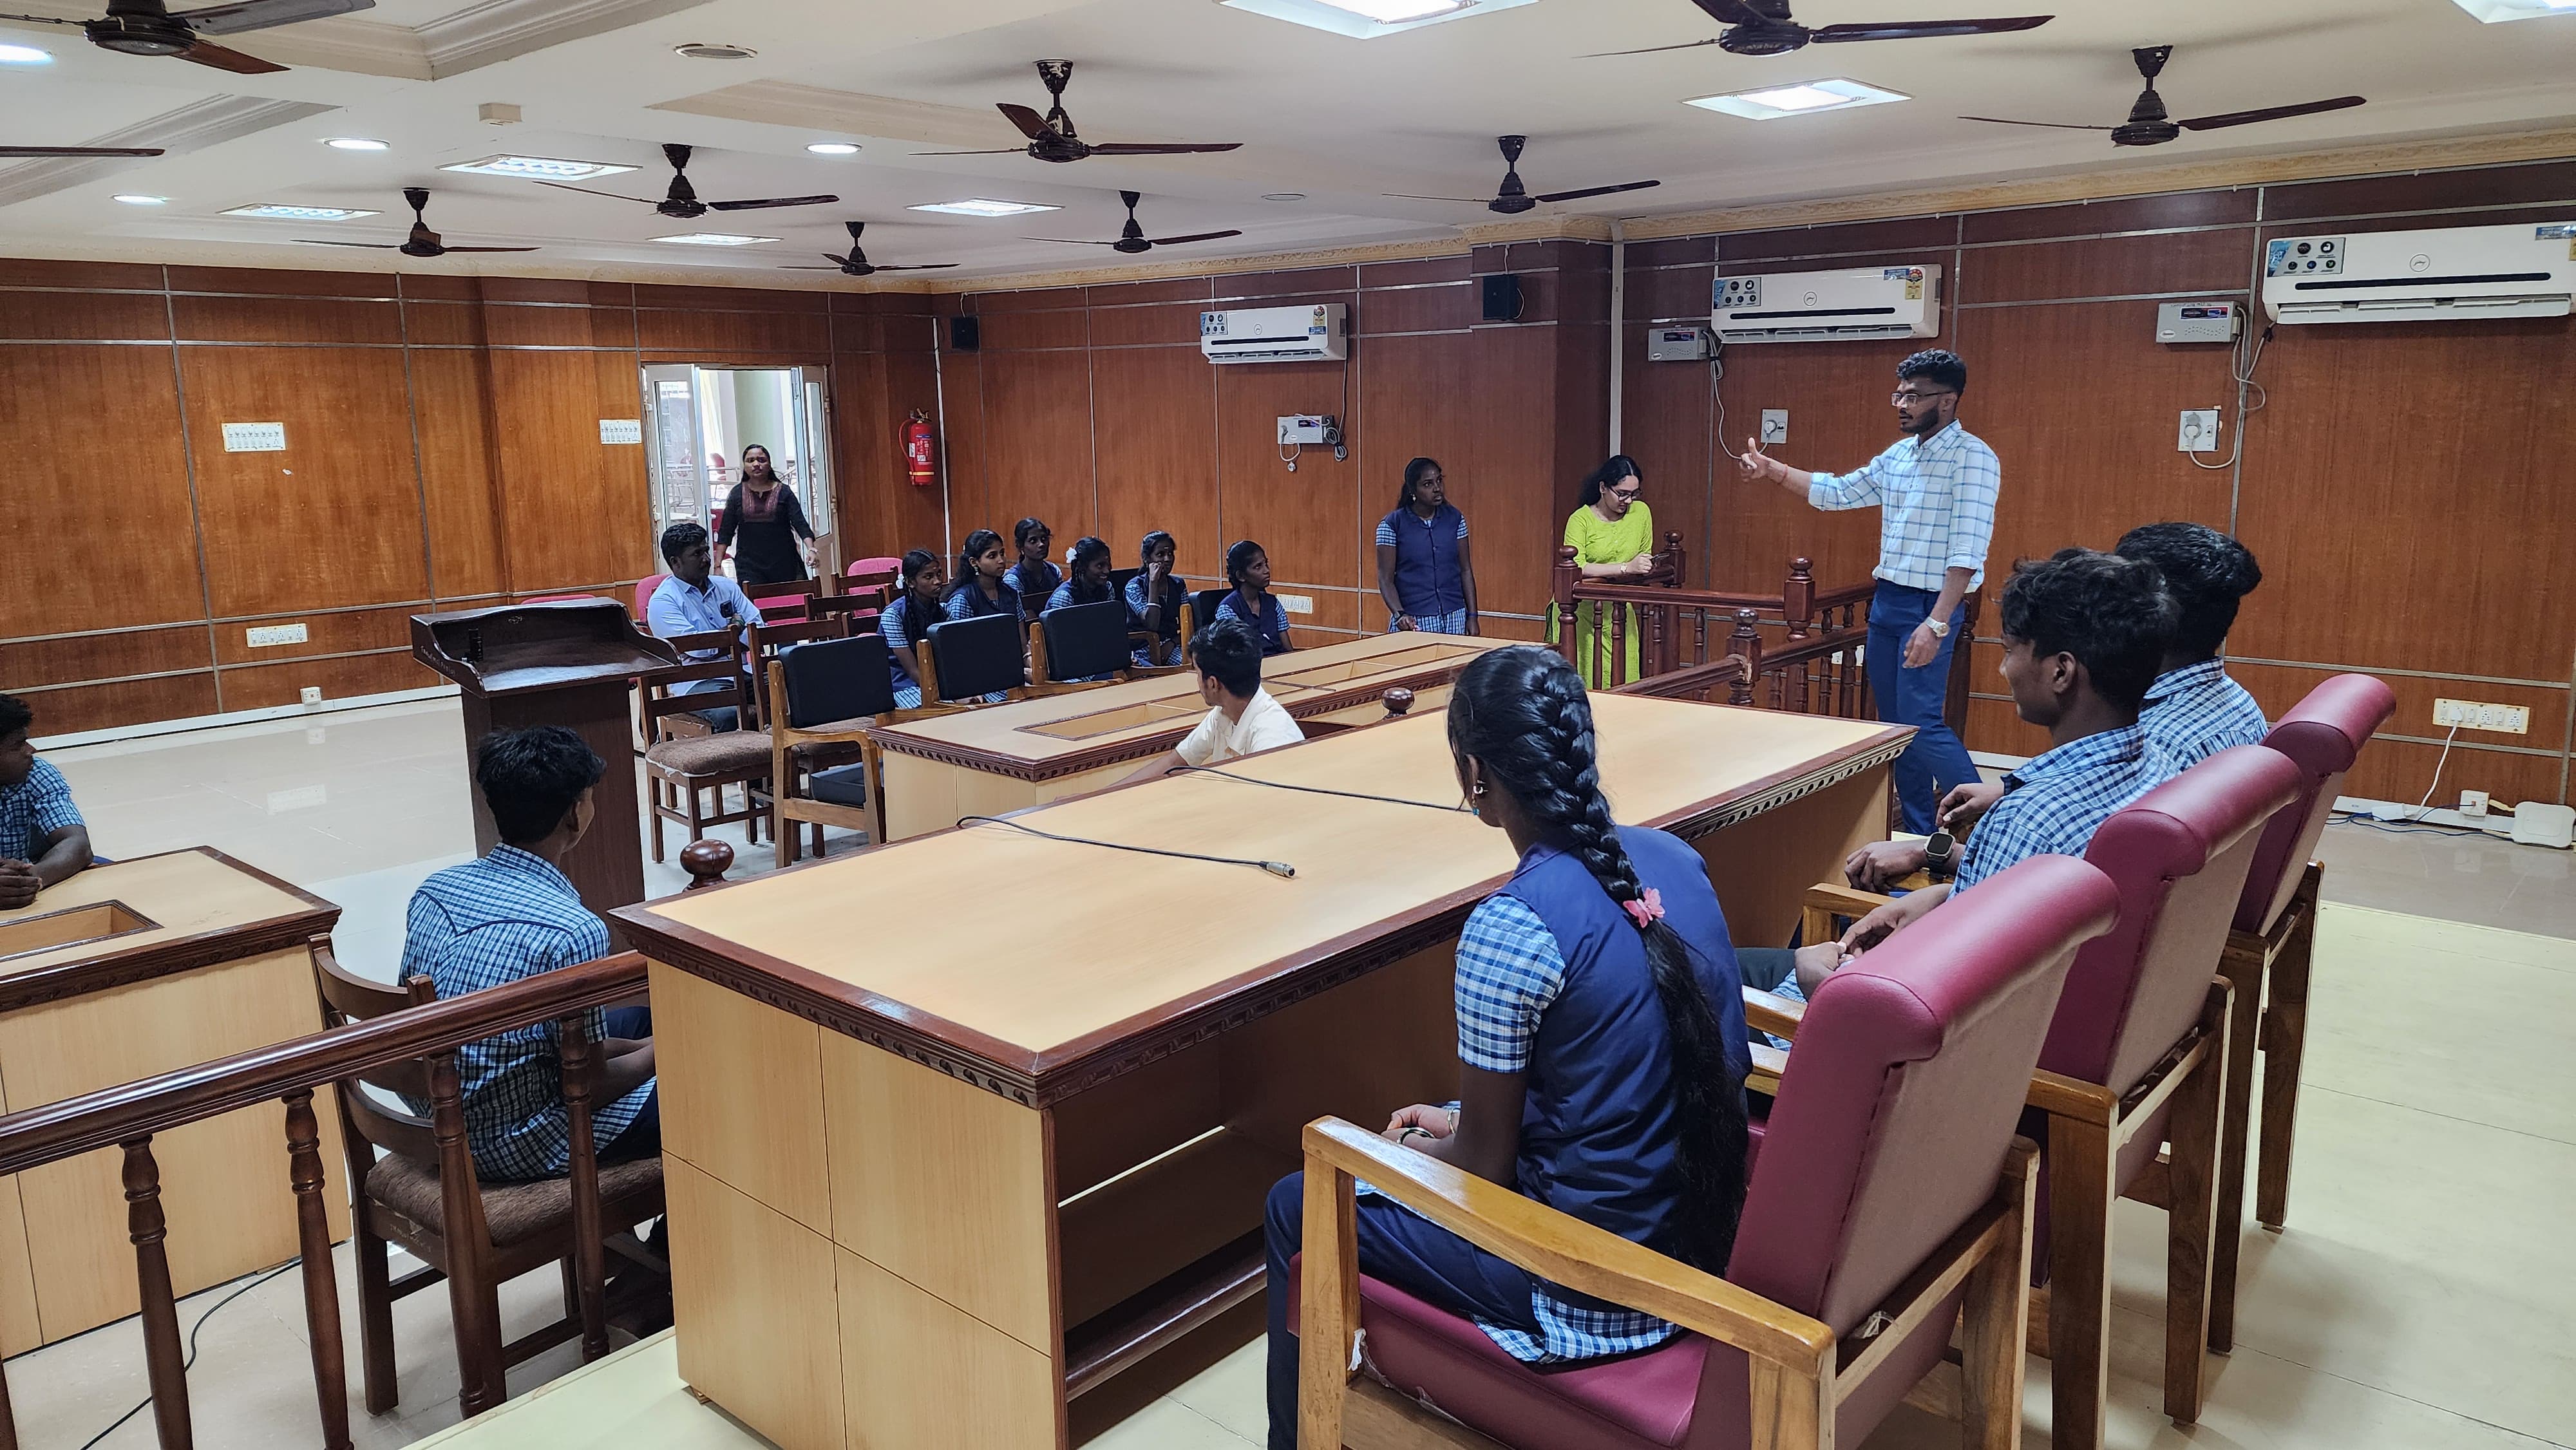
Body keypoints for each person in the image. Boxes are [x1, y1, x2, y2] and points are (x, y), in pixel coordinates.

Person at [1260, 646, 1750, 1447]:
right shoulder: (1679, 862)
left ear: (1475, 774)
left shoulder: (1510, 927)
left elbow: (1482, 1168)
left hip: (1585, 1287)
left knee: (1297, 1200)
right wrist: (1457, 1120)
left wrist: (1417, 1148)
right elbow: (1611, 1070)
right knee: (1431, 1126)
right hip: (1701, 1247)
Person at [1745, 549, 2175, 1003]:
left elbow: (1956, 995)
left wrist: (1823, 983)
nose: (2004, 669)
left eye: (2010, 652)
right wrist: (1947, 894)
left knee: (1708, 974)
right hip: (2052, 1000)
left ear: (2061, 671)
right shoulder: (2161, 768)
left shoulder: (2028, 818)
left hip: (1875, 1015)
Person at [1851, 522, 2269, 886]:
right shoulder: (2232, 707)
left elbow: (2007, 917)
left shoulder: (2164, 745)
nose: (2004, 669)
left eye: (2009, 651)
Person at [1738, 349, 1998, 833]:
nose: (1902, 405)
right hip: (1889, 601)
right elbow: (1838, 493)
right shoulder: (1900, 455)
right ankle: (1919, 836)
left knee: (1923, 723)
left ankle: (1991, 824)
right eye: (1899, 395)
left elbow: (1968, 551)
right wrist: (1774, 471)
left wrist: (1937, 623)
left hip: (1930, 605)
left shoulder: (1973, 457)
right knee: (1897, 728)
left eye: (1913, 397)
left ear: (1947, 400)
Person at [401, 727, 658, 1180]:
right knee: (706, 1084)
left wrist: (646, 1045)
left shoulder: (436, 889)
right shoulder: (572, 930)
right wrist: (671, 1049)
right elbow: (590, 1084)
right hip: (511, 1140)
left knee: (640, 1021)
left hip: (439, 1112)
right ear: (575, 815)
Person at [1117, 619, 1305, 787]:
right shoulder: (1223, 713)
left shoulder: (1273, 737)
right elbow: (1175, 762)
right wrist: (1106, 796)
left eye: (1197, 673)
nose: (1197, 681)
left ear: (1213, 684)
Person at [1549, 455, 1656, 687]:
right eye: (1622, 493)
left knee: (1624, 677)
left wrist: (1639, 566)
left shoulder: (1641, 513)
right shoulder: (1581, 519)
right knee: (1584, 677)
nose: (1628, 500)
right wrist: (1625, 568)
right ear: (1603, 488)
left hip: (1619, 608)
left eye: (1634, 494)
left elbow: (1644, 554)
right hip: (1581, 612)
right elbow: (1576, 565)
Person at [645, 522, 762, 731]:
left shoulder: (726, 587)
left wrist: (721, 641)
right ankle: (733, 755)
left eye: (706, 550)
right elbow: (699, 649)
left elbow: (758, 629)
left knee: (793, 691)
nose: (707, 559)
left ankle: (786, 750)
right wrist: (736, 627)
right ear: (676, 562)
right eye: (697, 554)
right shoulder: (663, 601)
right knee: (729, 715)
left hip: (742, 672)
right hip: (697, 681)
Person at [0, 693, 94, 910]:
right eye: (18, 744)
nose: (31, 750)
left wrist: (28, 881)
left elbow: (78, 844)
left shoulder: (37, 773)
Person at [1376, 457, 1477, 636]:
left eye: (1439, 481)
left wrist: (1472, 616)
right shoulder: (1392, 525)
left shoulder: (1455, 519)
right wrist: (1399, 614)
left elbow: (1466, 570)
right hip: (1415, 620)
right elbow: (1385, 579)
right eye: (1428, 484)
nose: (1437, 488)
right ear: (1413, 490)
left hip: (1455, 615)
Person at [712, 444, 815, 587]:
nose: (756, 464)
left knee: (788, 600)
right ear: (744, 466)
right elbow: (726, 531)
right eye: (750, 460)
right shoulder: (737, 494)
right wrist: (718, 565)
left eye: (761, 460)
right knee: (755, 600)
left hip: (784, 563)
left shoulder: (784, 492)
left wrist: (811, 549)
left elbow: (800, 523)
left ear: (769, 464)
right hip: (749, 565)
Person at [941, 528, 1023, 704]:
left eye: (1002, 553)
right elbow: (958, 654)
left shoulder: (1011, 594)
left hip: (1010, 671)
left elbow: (1021, 643)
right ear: (974, 562)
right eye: (992, 556)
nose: (1001, 560)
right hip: (977, 676)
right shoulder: (963, 599)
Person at [1043, 536, 1121, 683]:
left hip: (1100, 656)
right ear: (1082, 568)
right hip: (1072, 665)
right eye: (1100, 566)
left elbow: (1110, 630)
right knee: (1119, 680)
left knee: (1142, 673)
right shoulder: (1064, 597)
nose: (1107, 570)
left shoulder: (1107, 588)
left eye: (1108, 564)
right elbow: (1063, 647)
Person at [880, 549, 945, 710]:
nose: (937, 581)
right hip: (901, 683)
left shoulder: (943, 609)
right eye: (928, 577)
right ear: (910, 582)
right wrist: (943, 693)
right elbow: (912, 670)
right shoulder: (893, 615)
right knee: (943, 708)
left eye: (939, 574)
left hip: (936, 680)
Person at [1215, 540, 1293, 655]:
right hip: (1249, 665)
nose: (1267, 571)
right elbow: (1236, 656)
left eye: (1266, 564)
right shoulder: (1227, 609)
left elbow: (1288, 650)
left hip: (1279, 661)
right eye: (1258, 567)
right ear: (1241, 576)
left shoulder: (1274, 603)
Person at [1126, 531, 1188, 668]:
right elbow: (1152, 625)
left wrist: (1172, 643)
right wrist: (1153, 583)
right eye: (1160, 554)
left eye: (1170, 553)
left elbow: (1187, 624)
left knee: (1195, 663)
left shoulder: (1178, 584)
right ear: (1147, 559)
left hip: (1171, 644)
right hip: (1142, 649)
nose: (1168, 559)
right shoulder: (1134, 587)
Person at [1006, 517, 1061, 621]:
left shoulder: (1054, 570)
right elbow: (1022, 616)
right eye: (1033, 541)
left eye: (1044, 539)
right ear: (1020, 546)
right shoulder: (1013, 579)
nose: (1041, 544)